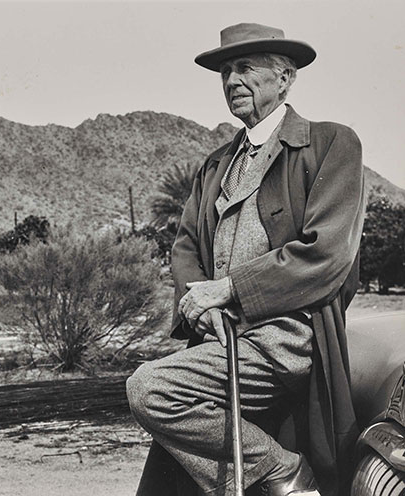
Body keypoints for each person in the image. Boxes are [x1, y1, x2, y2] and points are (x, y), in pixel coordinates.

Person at [127, 22, 365, 496]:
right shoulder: (216, 163)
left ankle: (281, 471)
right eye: (224, 72)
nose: (232, 80)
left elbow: (326, 253)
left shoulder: (330, 144)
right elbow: (186, 247)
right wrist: (204, 303)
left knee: (150, 388)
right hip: (224, 341)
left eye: (245, 68)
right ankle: (267, 474)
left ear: (285, 78)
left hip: (288, 342)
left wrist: (229, 289)